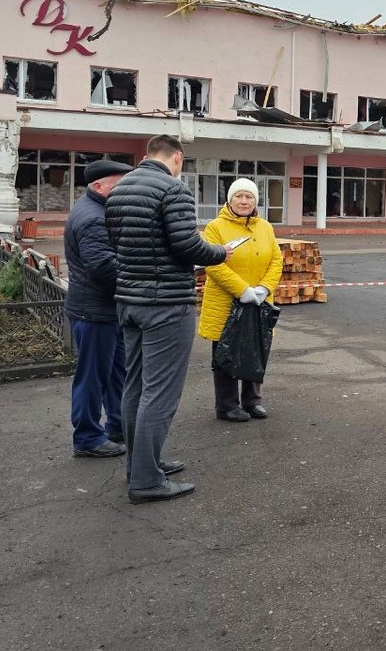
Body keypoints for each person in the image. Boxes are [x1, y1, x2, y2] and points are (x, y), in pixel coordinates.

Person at [105, 135, 237, 504]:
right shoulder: (172, 189)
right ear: (177, 157)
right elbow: (186, 245)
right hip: (165, 303)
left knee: (135, 386)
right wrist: (219, 252)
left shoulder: (120, 189)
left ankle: (141, 465)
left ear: (147, 155)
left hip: (129, 300)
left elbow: (118, 244)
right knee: (160, 392)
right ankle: (146, 480)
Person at [198, 178, 283, 423]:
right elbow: (212, 263)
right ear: (230, 199)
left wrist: (264, 288)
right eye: (239, 196)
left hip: (259, 301)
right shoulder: (215, 227)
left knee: (256, 350)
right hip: (227, 302)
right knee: (226, 353)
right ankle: (226, 406)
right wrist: (243, 289)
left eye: (249, 197)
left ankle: (252, 401)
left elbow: (276, 260)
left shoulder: (265, 227)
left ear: (256, 201)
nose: (244, 201)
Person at [64, 159, 133, 459]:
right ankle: (88, 437)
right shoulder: (93, 218)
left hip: (105, 309)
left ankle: (117, 425)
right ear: (98, 186)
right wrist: (139, 278)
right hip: (93, 312)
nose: (125, 192)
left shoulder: (98, 209)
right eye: (119, 186)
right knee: (92, 376)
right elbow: (103, 267)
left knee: (117, 371)